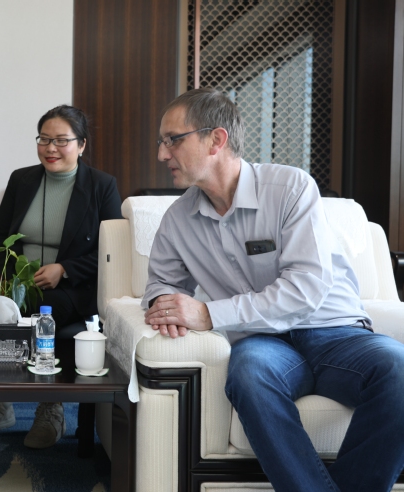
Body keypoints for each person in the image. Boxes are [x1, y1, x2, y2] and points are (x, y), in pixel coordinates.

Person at [143, 88, 404, 491]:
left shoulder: (290, 188)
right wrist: (165, 303)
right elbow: (161, 283)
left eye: (172, 140)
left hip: (336, 333)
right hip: (262, 343)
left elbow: (304, 289)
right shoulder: (177, 219)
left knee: (399, 368)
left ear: (216, 140)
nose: (163, 154)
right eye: (161, 142)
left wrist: (209, 314)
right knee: (248, 375)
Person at [0, 104, 122, 449]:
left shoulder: (101, 186)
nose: (51, 148)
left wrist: (65, 269)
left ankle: (51, 408)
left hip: (73, 288)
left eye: (61, 140)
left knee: (43, 312)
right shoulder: (22, 180)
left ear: (81, 144)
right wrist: (5, 281)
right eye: (44, 139)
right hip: (18, 283)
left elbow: (113, 252)